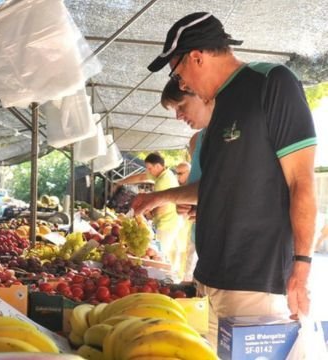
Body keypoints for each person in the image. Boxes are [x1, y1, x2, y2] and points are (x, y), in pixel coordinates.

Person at [136, 12, 317, 348]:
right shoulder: (218, 110)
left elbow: (302, 183)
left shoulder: (272, 83)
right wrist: (163, 197)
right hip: (210, 276)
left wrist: (301, 268)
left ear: (197, 57)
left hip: (254, 280)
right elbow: (216, 186)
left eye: (179, 74)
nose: (183, 84)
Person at [161, 78, 214, 281]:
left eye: (181, 106)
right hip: (198, 237)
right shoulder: (195, 141)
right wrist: (187, 204)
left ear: (202, 94)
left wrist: (159, 198)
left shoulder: (233, 137)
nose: (178, 116)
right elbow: (201, 189)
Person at [115, 153, 182, 273]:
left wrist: (149, 215)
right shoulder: (165, 174)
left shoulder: (163, 181)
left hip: (167, 222)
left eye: (150, 168)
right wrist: (121, 182)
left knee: (160, 255)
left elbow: (163, 207)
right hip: (173, 219)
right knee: (168, 252)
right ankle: (171, 271)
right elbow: (141, 177)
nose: (148, 171)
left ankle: (164, 277)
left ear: (157, 166)